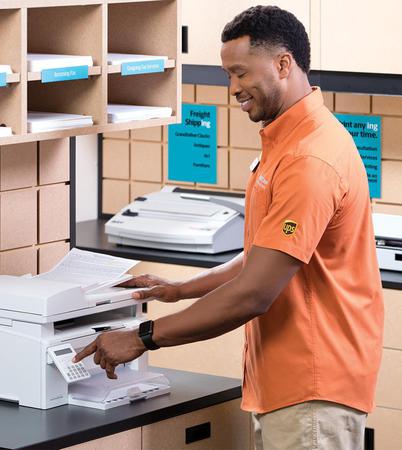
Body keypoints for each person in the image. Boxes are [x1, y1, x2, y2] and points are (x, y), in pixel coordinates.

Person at [74, 5, 383, 449]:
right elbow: (263, 254)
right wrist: (179, 288)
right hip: (286, 385)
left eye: (240, 73)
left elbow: (256, 292)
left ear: (283, 63)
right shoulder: (290, 141)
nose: (232, 88)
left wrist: (143, 338)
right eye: (228, 75)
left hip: (313, 389)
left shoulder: (309, 160)